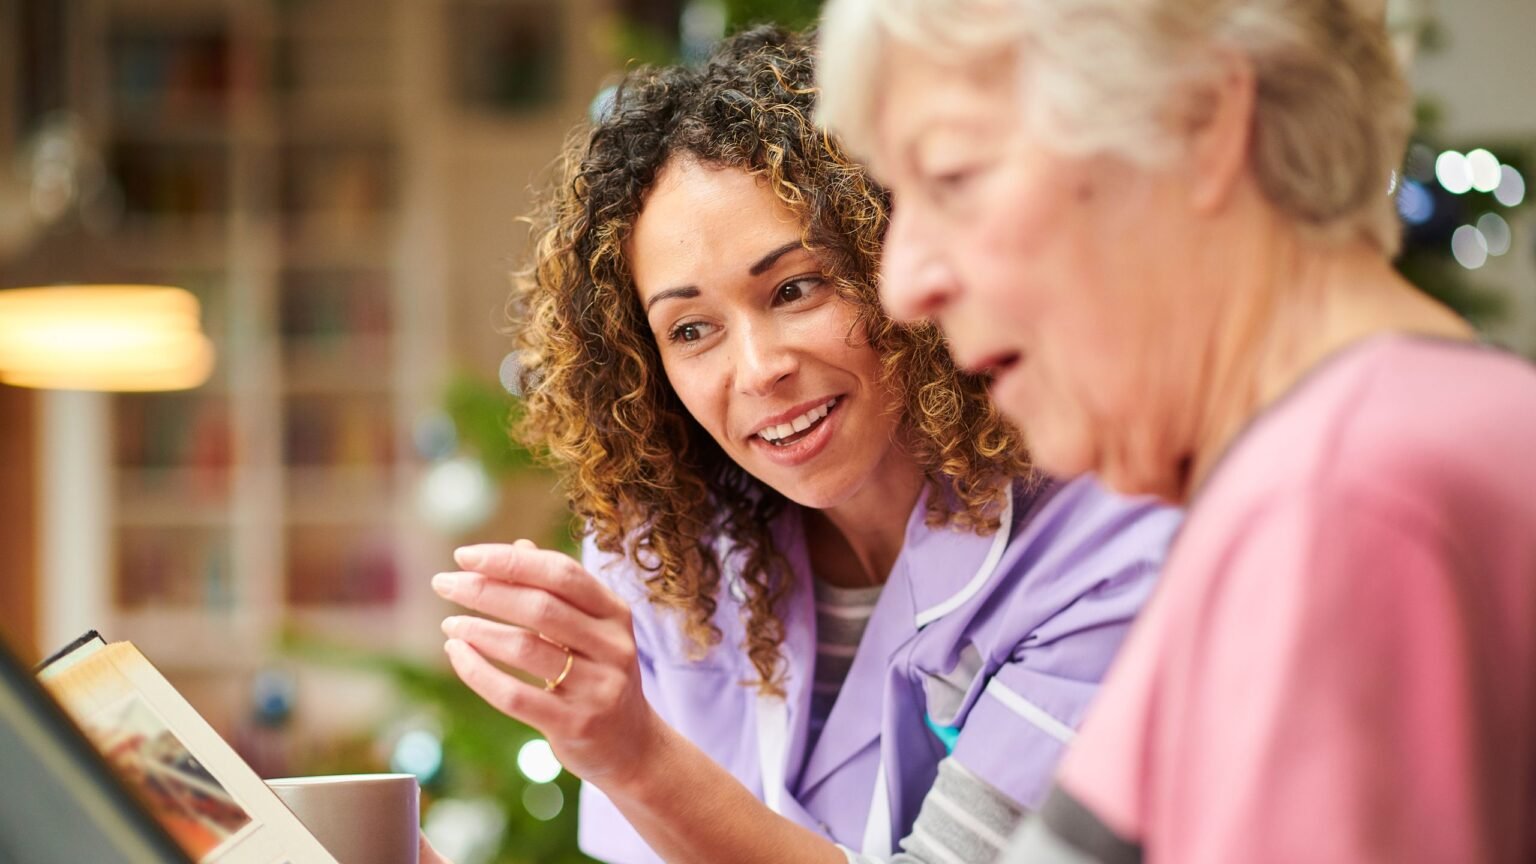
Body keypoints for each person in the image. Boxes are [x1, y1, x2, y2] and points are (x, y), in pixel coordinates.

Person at [425, 27, 1179, 864]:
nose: (758, 370)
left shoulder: (1102, 548)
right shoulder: (670, 557)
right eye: (692, 329)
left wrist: (639, 758)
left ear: (893, 257)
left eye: (795, 287)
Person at [816, 0, 1536, 862]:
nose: (903, 284)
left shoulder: (1339, 502)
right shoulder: (1398, 438)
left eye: (955, 178)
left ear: (1199, 122)